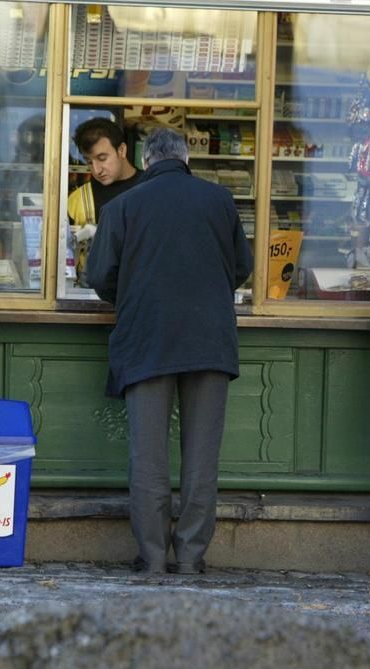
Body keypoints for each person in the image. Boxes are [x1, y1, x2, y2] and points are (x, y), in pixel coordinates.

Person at [86, 128, 253, 575]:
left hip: (146, 337)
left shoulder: (122, 206)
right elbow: (242, 267)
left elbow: (100, 275)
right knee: (202, 456)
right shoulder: (219, 201)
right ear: (186, 157)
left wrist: (134, 293)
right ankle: (192, 556)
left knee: (148, 455)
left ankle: (154, 555)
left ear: (144, 158)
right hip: (209, 338)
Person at [67, 118, 142, 262]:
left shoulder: (151, 189)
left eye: (102, 158)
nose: (96, 170)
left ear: (122, 150)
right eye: (89, 161)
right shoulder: (77, 200)